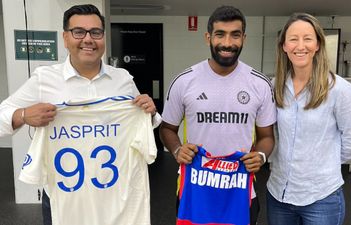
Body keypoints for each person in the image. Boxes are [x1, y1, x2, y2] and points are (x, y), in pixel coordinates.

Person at [0, 4, 161, 225]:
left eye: (96, 32)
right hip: (66, 197)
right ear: (65, 38)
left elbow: (146, 125)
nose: (88, 39)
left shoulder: (122, 79)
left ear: (103, 37)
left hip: (116, 195)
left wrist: (149, 113)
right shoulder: (43, 79)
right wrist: (24, 114)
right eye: (79, 32)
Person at [159, 5, 276, 225]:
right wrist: (176, 150)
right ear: (208, 37)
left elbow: (267, 136)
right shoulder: (184, 81)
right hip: (195, 186)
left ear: (244, 38)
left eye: (235, 35)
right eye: (220, 34)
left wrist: (260, 156)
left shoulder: (259, 84)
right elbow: (167, 129)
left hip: (240, 189)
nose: (227, 43)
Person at [266, 12, 351, 225]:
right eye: (293, 39)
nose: (300, 45)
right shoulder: (275, 86)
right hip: (278, 195)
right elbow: (271, 132)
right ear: (284, 46)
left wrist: (323, 164)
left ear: (318, 45)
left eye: (308, 38)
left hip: (321, 198)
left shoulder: (339, 89)